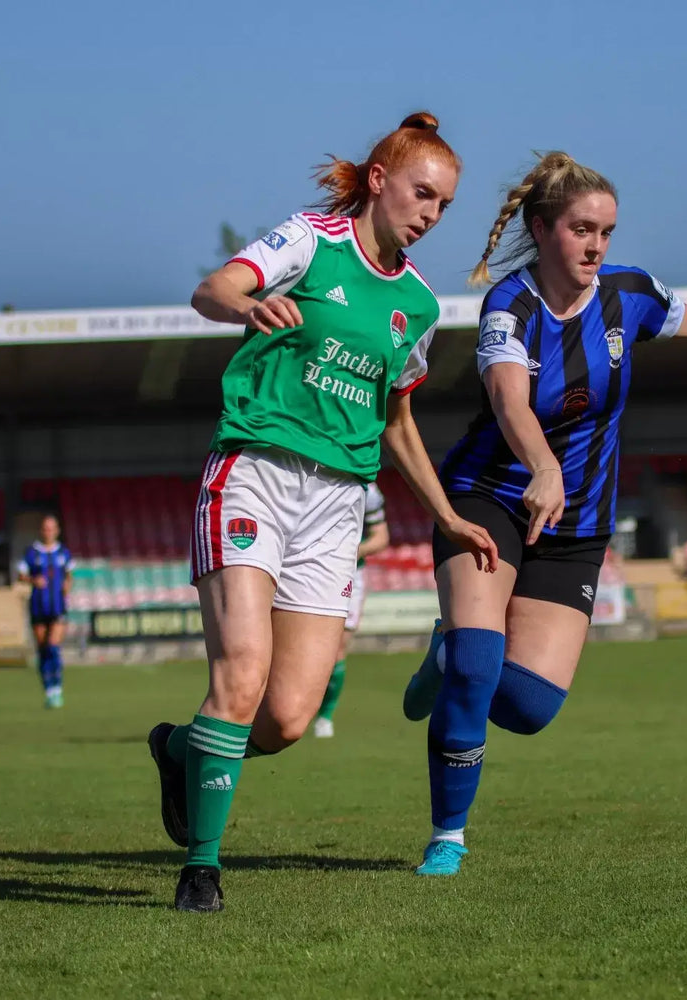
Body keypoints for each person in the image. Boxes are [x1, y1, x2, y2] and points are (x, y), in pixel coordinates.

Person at [399, 152, 687, 876]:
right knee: (481, 663)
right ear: (542, 228)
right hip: (488, 498)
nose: (595, 245)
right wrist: (542, 466)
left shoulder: (627, 296)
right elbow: (510, 397)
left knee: (530, 708)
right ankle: (448, 836)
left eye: (606, 231)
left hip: (575, 527)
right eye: (581, 229)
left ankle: (444, 652)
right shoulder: (508, 305)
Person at [145, 112, 498, 913]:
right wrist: (248, 306)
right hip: (255, 474)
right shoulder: (312, 240)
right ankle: (203, 869)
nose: (430, 214)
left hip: (339, 503)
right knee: (239, 677)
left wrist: (444, 516)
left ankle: (177, 750)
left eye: (443, 204)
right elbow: (213, 289)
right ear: (379, 181)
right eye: (421, 194)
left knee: (287, 718)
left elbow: (397, 420)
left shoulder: (416, 304)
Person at [311, 481, 389, 739]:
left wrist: (350, 551)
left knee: (336, 652)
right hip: (310, 572)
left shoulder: (368, 488)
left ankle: (325, 716)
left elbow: (381, 537)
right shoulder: (311, 474)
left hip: (350, 577)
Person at [17, 514, 74, 709]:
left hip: (58, 607)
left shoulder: (64, 552)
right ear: (41, 530)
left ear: (57, 530)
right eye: (45, 528)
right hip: (38, 606)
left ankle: (57, 688)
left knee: (52, 646)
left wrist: (67, 583)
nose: (48, 531)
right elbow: (21, 575)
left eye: (52, 528)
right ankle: (48, 690)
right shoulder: (32, 552)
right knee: (42, 649)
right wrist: (34, 581)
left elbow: (69, 575)